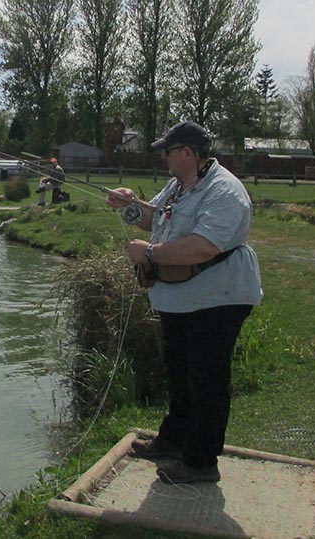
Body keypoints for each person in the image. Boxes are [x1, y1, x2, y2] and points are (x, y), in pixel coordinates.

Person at [105, 120, 262, 484]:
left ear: (187, 153)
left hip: (218, 299)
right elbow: (153, 218)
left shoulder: (225, 191)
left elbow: (203, 246)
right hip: (180, 299)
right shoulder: (179, 186)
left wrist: (150, 254)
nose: (164, 158)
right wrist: (126, 206)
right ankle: (174, 439)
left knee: (206, 378)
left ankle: (201, 461)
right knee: (179, 373)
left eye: (168, 151)